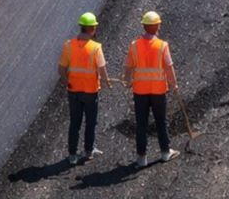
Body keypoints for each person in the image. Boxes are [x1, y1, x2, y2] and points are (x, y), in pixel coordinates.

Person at [124, 11, 180, 168]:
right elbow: (169, 68)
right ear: (156, 26)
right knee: (161, 121)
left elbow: (128, 66)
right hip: (158, 91)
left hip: (140, 91)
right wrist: (174, 85)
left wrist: (127, 81)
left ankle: (141, 158)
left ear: (144, 26)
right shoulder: (162, 46)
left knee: (141, 124)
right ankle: (165, 152)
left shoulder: (134, 46)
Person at [59, 12, 112, 165]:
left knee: (74, 122)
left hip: (73, 91)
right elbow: (102, 69)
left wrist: (66, 82)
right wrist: (107, 82)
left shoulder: (68, 45)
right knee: (90, 122)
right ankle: (89, 151)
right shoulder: (96, 48)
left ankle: (72, 155)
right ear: (92, 29)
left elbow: (61, 68)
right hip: (90, 92)